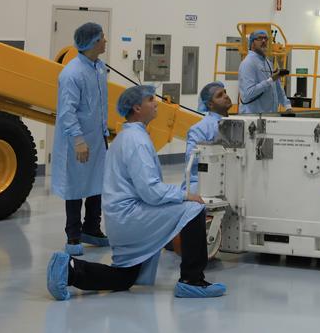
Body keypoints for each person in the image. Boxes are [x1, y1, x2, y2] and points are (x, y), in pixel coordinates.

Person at [46, 85, 227, 300]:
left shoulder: (128, 136)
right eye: (150, 99)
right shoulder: (136, 141)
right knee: (194, 208)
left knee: (124, 277)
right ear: (137, 108)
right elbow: (150, 191)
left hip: (120, 220)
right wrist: (184, 195)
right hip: (130, 217)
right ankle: (192, 280)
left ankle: (68, 270)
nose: (156, 103)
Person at [52, 23, 110, 256]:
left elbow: (100, 105)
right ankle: (73, 235)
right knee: (75, 187)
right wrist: (78, 139)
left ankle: (92, 228)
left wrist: (104, 132)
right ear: (93, 42)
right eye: (102, 37)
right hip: (77, 139)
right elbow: (68, 111)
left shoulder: (99, 68)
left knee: (97, 183)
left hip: (97, 137)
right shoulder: (72, 74)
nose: (105, 41)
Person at [184, 81, 231, 193]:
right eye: (220, 95)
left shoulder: (234, 123)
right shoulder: (200, 128)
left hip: (227, 180)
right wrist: (212, 152)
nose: (226, 96)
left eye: (225, 92)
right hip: (202, 183)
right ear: (210, 104)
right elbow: (192, 158)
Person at [237, 29, 290, 114]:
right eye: (260, 38)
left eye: (266, 38)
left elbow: (277, 88)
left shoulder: (267, 62)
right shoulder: (248, 63)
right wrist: (270, 80)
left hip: (269, 116)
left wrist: (287, 106)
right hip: (252, 117)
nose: (264, 41)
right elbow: (248, 93)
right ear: (252, 42)